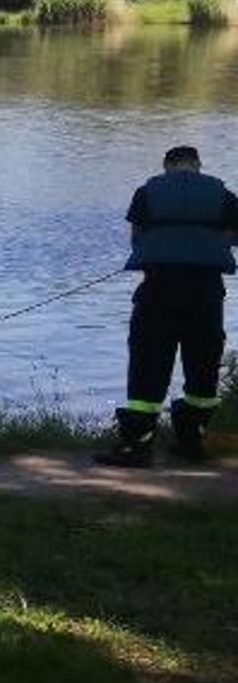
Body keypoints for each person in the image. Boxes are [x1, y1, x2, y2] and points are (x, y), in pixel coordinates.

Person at [97, 145, 238, 467]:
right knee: (203, 362)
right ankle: (191, 441)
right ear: (198, 165)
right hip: (205, 291)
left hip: (159, 287)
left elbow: (138, 239)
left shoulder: (147, 192)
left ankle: (137, 446)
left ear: (167, 166)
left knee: (149, 360)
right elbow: (232, 237)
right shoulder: (224, 195)